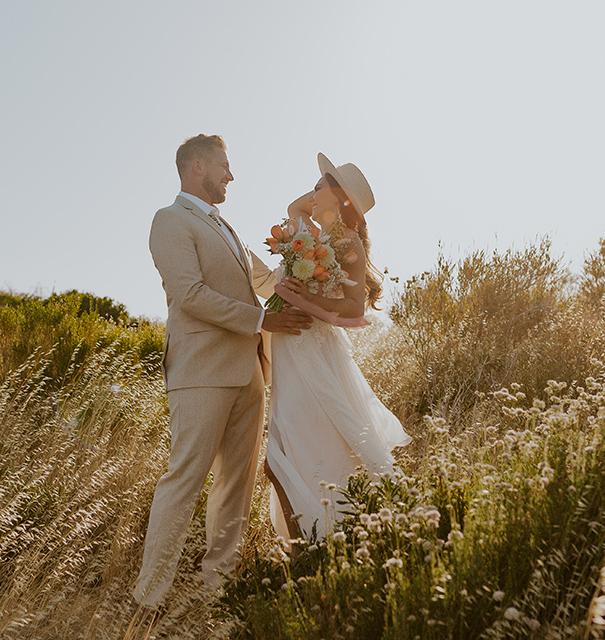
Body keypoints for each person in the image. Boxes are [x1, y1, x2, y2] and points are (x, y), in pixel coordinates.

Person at [134, 135, 312, 609]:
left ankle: (219, 587)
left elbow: (262, 280)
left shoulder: (226, 227)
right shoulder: (169, 222)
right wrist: (262, 320)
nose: (231, 176)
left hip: (248, 373)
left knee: (238, 482)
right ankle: (150, 597)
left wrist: (315, 272)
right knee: (184, 480)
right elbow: (189, 293)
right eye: (224, 167)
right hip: (201, 372)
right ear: (197, 168)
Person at [264, 153, 411, 541]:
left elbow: (352, 306)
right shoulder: (307, 235)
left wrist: (304, 300)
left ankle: (320, 536)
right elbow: (295, 207)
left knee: (300, 448)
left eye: (320, 184)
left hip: (313, 348)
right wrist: (324, 196)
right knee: (293, 444)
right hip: (288, 351)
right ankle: (313, 540)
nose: (311, 190)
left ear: (339, 196)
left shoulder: (348, 245)